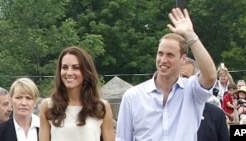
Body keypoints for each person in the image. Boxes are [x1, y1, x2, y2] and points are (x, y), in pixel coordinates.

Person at [116, 8, 217, 141]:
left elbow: (210, 76)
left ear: (183, 58)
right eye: (160, 53)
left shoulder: (192, 91)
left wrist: (191, 35)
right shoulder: (133, 96)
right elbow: (123, 138)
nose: (163, 60)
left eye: (170, 55)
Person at [39, 46, 115, 141]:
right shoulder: (48, 106)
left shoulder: (101, 107)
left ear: (86, 71)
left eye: (76, 68)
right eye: (65, 67)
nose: (69, 72)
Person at [181, 57, 229, 141]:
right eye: (175, 77)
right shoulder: (160, 111)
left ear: (197, 81)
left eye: (185, 77)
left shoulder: (216, 115)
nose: (179, 81)